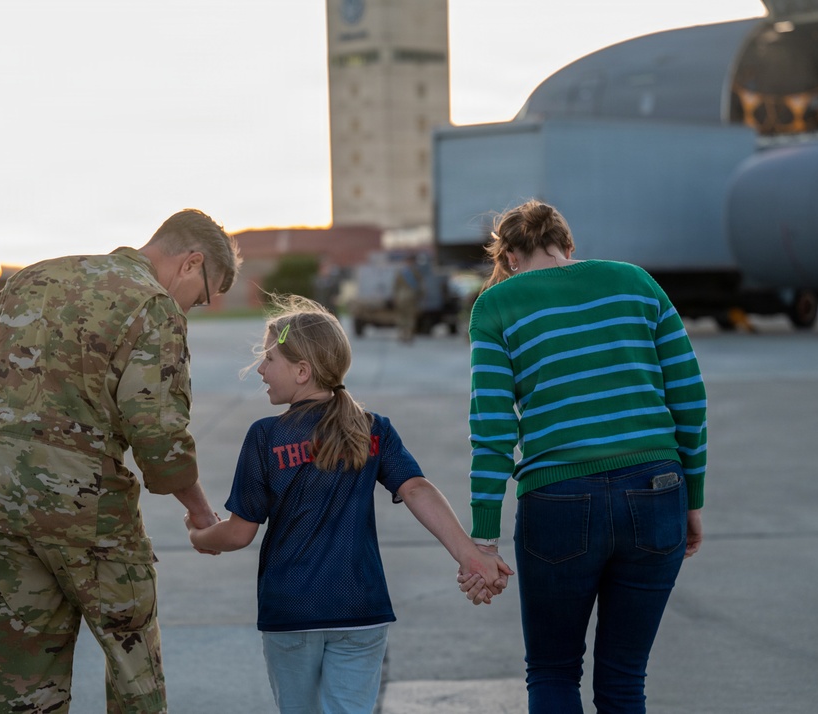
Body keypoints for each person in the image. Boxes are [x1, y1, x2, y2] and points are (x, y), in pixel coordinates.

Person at [0, 209, 241, 714]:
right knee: (133, 667)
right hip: (88, 515)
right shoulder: (153, 306)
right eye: (205, 296)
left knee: (20, 681)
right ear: (192, 264)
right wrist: (201, 512)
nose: (197, 307)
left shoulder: (32, 278)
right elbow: (159, 436)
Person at [185, 295, 512, 714]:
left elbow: (239, 532)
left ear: (302, 371)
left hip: (292, 610)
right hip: (361, 609)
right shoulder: (372, 428)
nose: (261, 370)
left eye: (269, 360)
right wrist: (470, 554)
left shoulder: (266, 436)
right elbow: (416, 489)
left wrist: (199, 535)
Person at [459, 200, 706, 713]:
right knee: (623, 680)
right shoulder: (637, 282)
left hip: (558, 498)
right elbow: (688, 393)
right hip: (658, 490)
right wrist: (693, 498)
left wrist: (484, 537)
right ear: (569, 247)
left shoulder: (497, 306)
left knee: (552, 673)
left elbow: (492, 426)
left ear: (507, 258)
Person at [392, 255, 424, 343]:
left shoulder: (402, 272)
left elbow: (395, 286)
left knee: (404, 316)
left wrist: (395, 297)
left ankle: (404, 334)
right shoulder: (414, 272)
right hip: (410, 297)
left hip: (402, 297)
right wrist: (421, 297)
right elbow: (420, 286)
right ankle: (407, 334)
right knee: (408, 317)